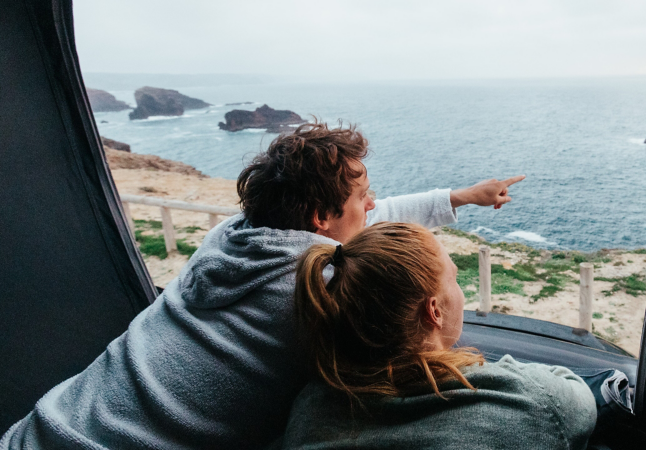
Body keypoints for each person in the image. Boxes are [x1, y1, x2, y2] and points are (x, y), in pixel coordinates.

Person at [1, 122, 525, 449]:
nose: (372, 204)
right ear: (320, 217)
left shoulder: (231, 237)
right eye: (363, 194)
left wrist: (458, 197)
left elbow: (362, 223)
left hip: (44, 427)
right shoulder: (324, 289)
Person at [283, 222, 597, 449]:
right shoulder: (518, 400)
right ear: (434, 311)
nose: (461, 293)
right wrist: (503, 369)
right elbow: (578, 402)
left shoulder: (308, 410)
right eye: (455, 279)